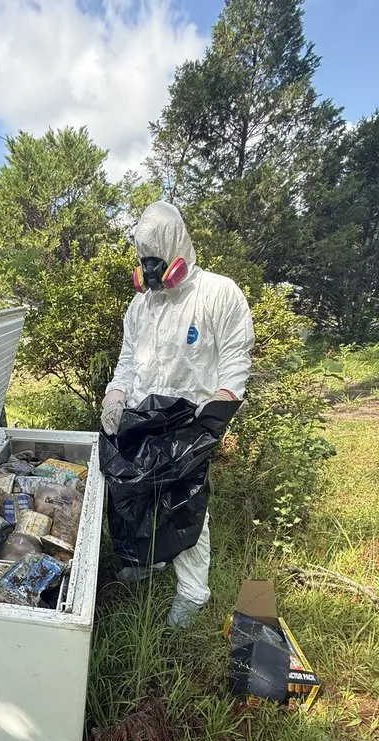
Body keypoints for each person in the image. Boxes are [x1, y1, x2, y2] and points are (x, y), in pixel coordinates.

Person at [101, 201, 254, 628]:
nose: (151, 271)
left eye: (156, 260)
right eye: (144, 261)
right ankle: (151, 562)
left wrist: (217, 409)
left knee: (185, 509)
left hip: (190, 421)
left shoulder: (218, 293)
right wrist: (116, 394)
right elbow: (129, 359)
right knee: (141, 497)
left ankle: (192, 593)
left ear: (176, 251)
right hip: (143, 417)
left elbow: (236, 358)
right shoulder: (141, 306)